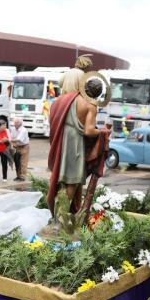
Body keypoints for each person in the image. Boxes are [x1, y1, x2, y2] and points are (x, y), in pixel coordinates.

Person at [47, 55, 111, 214]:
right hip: (75, 143)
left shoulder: (65, 100)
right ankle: (61, 217)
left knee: (63, 179)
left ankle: (60, 214)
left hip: (62, 139)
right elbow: (89, 131)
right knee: (73, 180)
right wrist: (102, 131)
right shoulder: (89, 105)